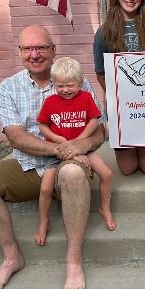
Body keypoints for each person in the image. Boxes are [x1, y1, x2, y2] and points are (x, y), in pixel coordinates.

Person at [0, 24, 105, 289]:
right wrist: (63, 149)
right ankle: (12, 257)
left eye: (41, 47)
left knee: (74, 175)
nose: (34, 54)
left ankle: (73, 262)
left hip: (69, 167)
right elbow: (16, 137)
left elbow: (98, 129)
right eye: (27, 48)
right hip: (28, 166)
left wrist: (82, 145)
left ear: (53, 51)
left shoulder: (73, 78)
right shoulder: (9, 87)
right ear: (19, 53)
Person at [35, 57, 115, 246]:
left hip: (82, 150)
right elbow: (43, 126)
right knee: (46, 188)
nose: (65, 90)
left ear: (80, 82)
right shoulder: (50, 102)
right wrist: (60, 140)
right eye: (60, 86)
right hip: (58, 153)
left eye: (70, 85)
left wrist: (79, 142)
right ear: (54, 84)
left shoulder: (86, 98)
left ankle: (105, 208)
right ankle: (43, 221)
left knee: (107, 174)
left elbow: (94, 120)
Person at [93, 0, 145, 176]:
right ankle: (136, 146)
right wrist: (117, 97)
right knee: (128, 169)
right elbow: (100, 73)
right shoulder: (103, 32)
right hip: (122, 109)